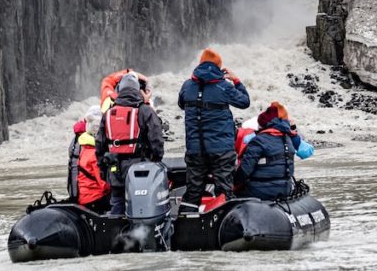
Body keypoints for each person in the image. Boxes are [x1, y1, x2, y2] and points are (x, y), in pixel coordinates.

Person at [177, 47, 250, 214]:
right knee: (224, 191)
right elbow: (245, 102)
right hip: (221, 150)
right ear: (219, 67)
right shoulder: (224, 86)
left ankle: (185, 228)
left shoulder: (187, 86)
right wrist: (236, 80)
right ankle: (226, 226)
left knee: (193, 192)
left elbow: (181, 103)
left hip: (195, 149)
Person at [96, 73, 165, 215]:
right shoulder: (145, 111)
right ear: (137, 90)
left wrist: (103, 171)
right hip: (140, 169)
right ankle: (141, 235)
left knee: (117, 204)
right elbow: (157, 139)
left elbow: (99, 146)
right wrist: (156, 161)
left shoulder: (107, 114)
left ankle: (115, 234)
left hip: (115, 170)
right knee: (141, 207)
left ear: (119, 91)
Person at [235, 102, 298, 201]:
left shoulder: (259, 141)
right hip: (286, 189)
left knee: (230, 196)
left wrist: (232, 185)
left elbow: (244, 171)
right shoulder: (288, 139)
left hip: (262, 191)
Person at [75, 110, 111, 213]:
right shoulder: (95, 154)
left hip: (84, 196)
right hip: (94, 197)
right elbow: (103, 184)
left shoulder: (84, 149)